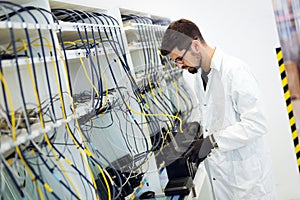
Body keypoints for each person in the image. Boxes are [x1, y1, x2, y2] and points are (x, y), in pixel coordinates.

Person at [160, 18, 278, 200]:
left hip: (249, 184)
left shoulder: (234, 71)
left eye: (179, 59)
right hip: (224, 180)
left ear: (195, 46)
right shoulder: (201, 76)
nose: (180, 66)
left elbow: (257, 123)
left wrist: (212, 141)